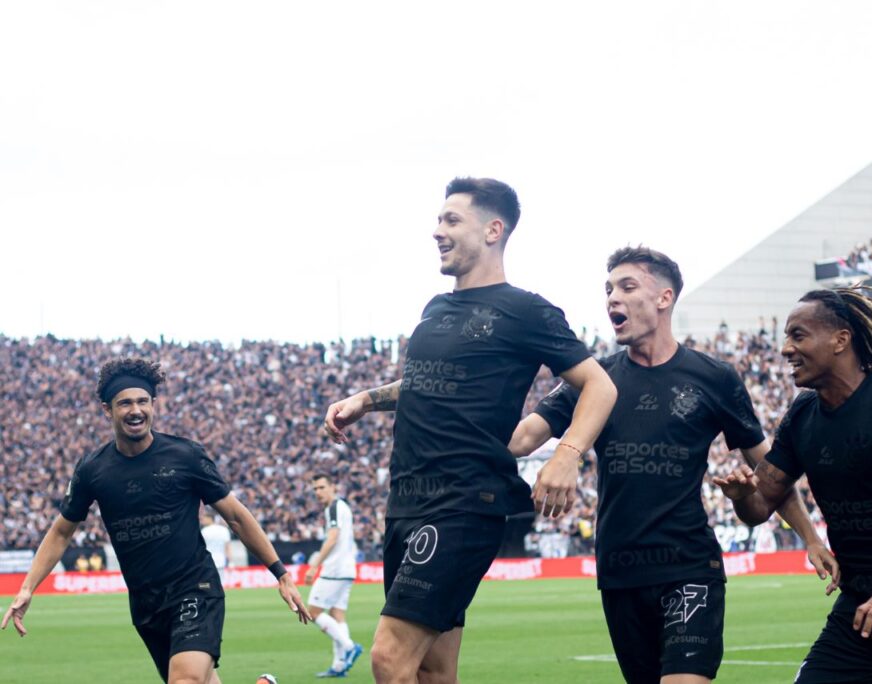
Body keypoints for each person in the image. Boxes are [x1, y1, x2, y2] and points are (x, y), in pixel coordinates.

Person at [323, 177, 616, 684]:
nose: (437, 230)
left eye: (451, 220)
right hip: (406, 503)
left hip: (462, 503)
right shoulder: (435, 309)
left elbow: (599, 386)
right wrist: (365, 401)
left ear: (493, 230)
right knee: (434, 670)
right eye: (438, 220)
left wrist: (566, 456)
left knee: (388, 659)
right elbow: (421, 382)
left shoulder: (526, 310)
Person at [509, 246, 836, 684]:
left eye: (627, 286)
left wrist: (810, 538)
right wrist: (443, 410)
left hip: (689, 566)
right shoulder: (595, 381)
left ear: (664, 298)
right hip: (620, 573)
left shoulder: (713, 377)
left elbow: (768, 469)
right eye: (608, 289)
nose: (612, 299)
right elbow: (522, 438)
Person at [713, 286, 872, 683]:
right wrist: (741, 496)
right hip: (858, 603)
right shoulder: (802, 415)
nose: (786, 349)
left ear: (841, 340)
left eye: (798, 335)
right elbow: (758, 508)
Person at [1, 358, 312, 684]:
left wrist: (281, 573)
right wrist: (27, 588)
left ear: (153, 404)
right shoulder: (92, 470)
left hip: (195, 588)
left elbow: (235, 515)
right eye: (125, 403)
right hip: (146, 603)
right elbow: (62, 532)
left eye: (142, 401)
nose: (135, 410)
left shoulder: (185, 455)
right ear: (108, 410)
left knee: (185, 681)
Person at [305, 473, 363, 677]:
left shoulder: (334, 507)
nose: (318, 492)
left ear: (332, 487)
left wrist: (314, 566)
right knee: (337, 615)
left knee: (313, 612)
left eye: (322, 487)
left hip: (335, 569)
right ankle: (339, 666)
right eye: (315, 489)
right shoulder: (343, 507)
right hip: (347, 569)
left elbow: (332, 538)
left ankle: (349, 647)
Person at [200, 510, 232, 578]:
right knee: (221, 582)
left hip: (208, 561)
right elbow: (227, 547)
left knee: (208, 584)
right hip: (221, 560)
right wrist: (230, 561)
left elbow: (201, 548)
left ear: (210, 518)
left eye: (204, 518)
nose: (202, 520)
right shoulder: (224, 530)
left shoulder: (204, 531)